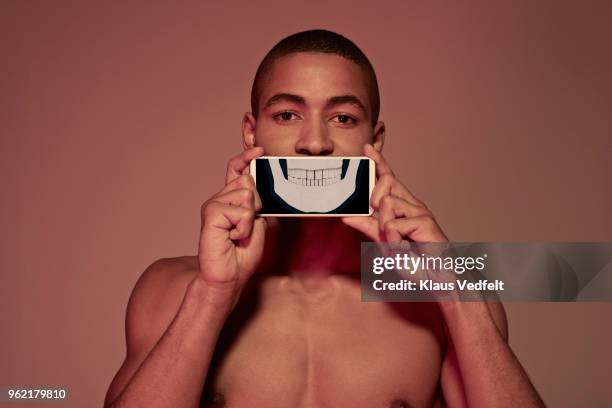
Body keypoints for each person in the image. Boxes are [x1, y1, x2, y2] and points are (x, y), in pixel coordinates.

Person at [104, 29, 544, 407]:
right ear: (251, 132)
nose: (315, 143)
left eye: (343, 118)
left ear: (376, 140)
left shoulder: (452, 296)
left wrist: (453, 293)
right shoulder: (170, 287)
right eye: (287, 114)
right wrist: (213, 294)